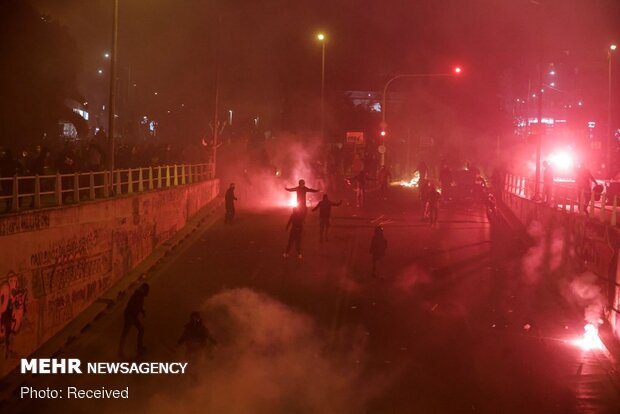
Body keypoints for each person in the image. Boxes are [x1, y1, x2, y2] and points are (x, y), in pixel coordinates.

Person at [118, 283, 150, 358]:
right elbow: (131, 305)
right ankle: (120, 351)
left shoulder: (140, 295)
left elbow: (139, 305)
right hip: (130, 315)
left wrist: (141, 311)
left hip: (132, 315)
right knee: (126, 332)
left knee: (140, 329)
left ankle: (139, 348)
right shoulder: (138, 295)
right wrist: (137, 312)